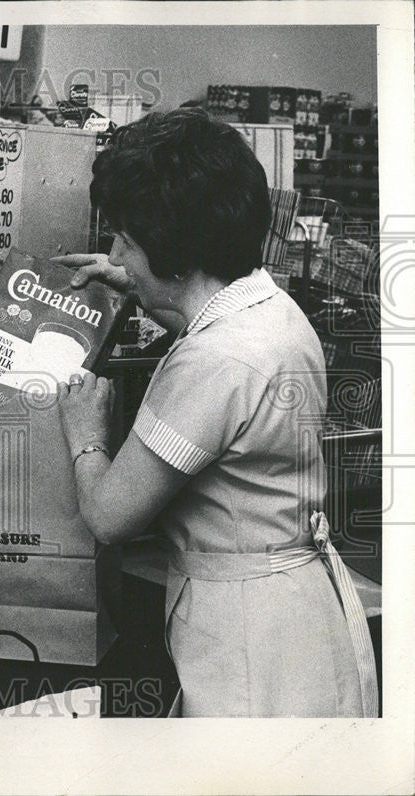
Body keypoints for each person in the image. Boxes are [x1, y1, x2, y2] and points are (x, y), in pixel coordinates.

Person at [54, 108, 378, 717]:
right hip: (298, 610)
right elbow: (208, 322)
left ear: (172, 253)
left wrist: (85, 435)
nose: (116, 254)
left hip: (249, 639)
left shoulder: (211, 362)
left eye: (126, 240)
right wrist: (143, 287)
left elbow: (110, 516)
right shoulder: (274, 311)